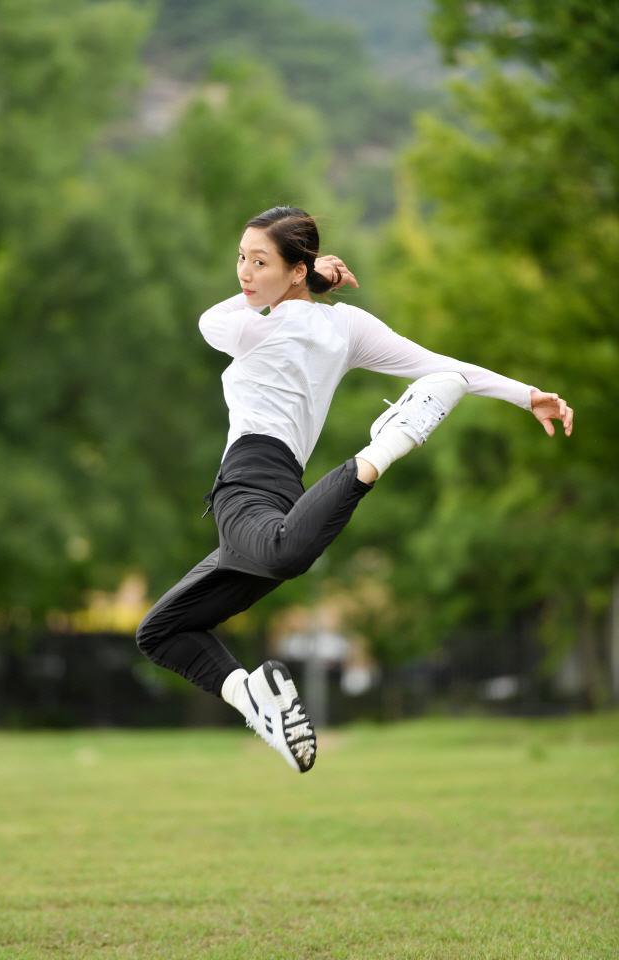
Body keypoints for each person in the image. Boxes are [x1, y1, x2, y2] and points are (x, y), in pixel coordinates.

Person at [136, 206, 573, 774]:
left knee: (285, 554)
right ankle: (256, 701)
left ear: (296, 269)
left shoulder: (281, 325)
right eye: (241, 258)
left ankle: (380, 451)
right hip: (272, 490)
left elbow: (440, 368)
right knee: (160, 631)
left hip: (251, 485)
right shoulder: (331, 326)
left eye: (260, 261)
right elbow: (443, 369)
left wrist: (524, 394)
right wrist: (526, 394)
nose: (244, 272)